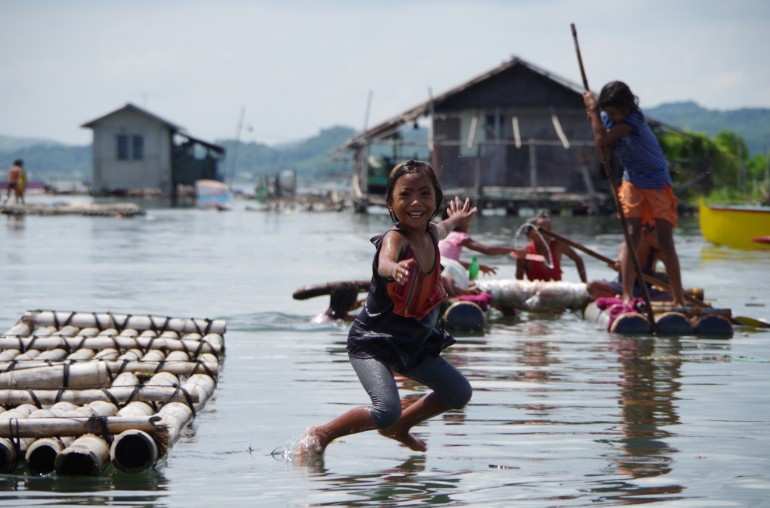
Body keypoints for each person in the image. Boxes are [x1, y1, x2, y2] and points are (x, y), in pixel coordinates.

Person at [295, 160, 475, 459]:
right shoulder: (395, 239)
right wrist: (394, 270)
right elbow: (384, 261)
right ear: (390, 203)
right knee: (385, 410)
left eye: (424, 194)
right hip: (372, 344)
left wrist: (455, 220)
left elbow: (442, 228)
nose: (415, 202)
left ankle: (400, 428)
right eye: (405, 195)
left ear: (436, 199)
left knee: (458, 392)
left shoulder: (431, 233)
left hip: (413, 343)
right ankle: (321, 434)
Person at [584, 81, 685, 306]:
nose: (613, 116)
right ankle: (627, 294)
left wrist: (593, 112)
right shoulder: (609, 119)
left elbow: (603, 139)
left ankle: (679, 298)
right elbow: (602, 145)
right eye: (608, 112)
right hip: (632, 181)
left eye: (615, 112)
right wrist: (597, 118)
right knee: (632, 236)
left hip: (657, 182)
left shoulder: (633, 120)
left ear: (628, 106)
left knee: (665, 241)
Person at [515, 211, 587, 283]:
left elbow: (578, 260)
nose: (544, 235)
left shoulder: (558, 245)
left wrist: (584, 283)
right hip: (535, 292)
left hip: (556, 291)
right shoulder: (524, 254)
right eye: (541, 230)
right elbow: (519, 284)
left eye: (548, 229)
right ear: (530, 235)